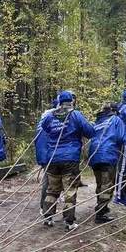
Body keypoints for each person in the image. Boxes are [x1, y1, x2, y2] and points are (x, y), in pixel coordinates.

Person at [41, 90, 95, 230]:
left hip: (52, 158)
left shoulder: (50, 116)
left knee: (52, 189)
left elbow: (45, 127)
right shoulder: (75, 115)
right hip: (69, 159)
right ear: (71, 102)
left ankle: (48, 217)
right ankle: (69, 222)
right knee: (70, 191)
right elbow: (90, 132)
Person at [88, 104, 126, 223]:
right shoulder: (116, 120)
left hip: (94, 155)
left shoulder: (97, 123)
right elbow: (121, 137)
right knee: (108, 185)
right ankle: (100, 213)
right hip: (108, 155)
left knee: (100, 183)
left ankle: (102, 208)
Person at [35, 97, 58, 214]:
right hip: (49, 153)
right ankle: (45, 207)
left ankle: (44, 206)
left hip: (43, 153)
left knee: (48, 179)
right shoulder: (53, 118)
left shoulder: (44, 117)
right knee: (49, 181)